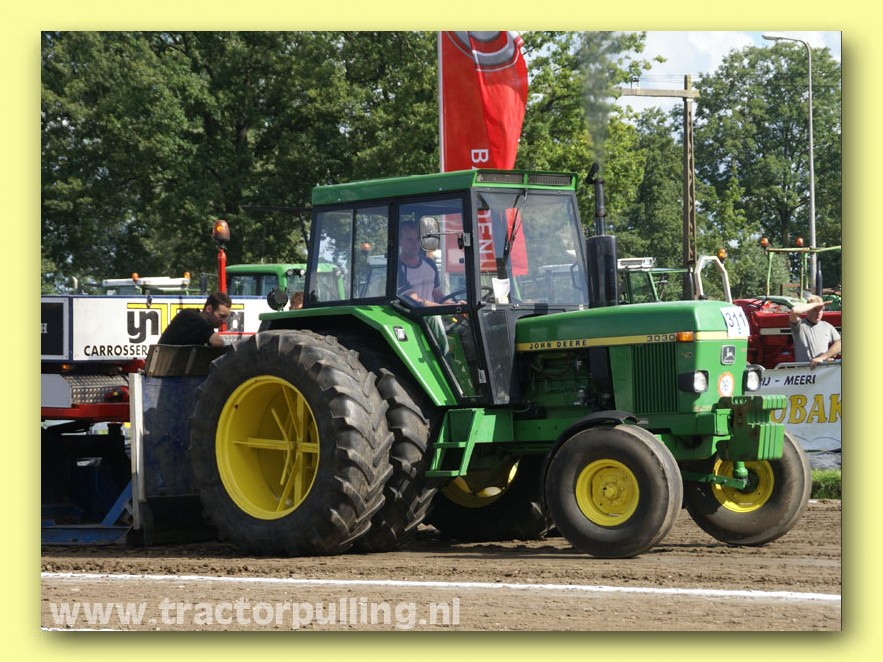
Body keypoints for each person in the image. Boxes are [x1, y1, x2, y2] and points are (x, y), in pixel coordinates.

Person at [396, 220, 446, 307]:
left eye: (417, 239)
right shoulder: (397, 268)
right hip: (408, 313)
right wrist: (444, 308)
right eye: (410, 239)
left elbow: (437, 295)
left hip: (432, 312)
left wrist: (455, 305)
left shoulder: (430, 263)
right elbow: (414, 301)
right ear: (400, 241)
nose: (414, 244)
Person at [158, 292, 232, 347]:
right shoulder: (194, 320)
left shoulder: (190, 316)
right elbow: (219, 343)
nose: (224, 321)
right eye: (221, 316)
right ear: (209, 309)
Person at [789, 295, 841, 369]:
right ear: (808, 310)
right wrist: (817, 304)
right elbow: (794, 311)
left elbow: (839, 343)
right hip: (803, 371)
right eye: (815, 310)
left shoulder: (827, 326)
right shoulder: (799, 325)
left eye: (821, 310)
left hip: (822, 372)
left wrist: (823, 357)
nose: (819, 313)